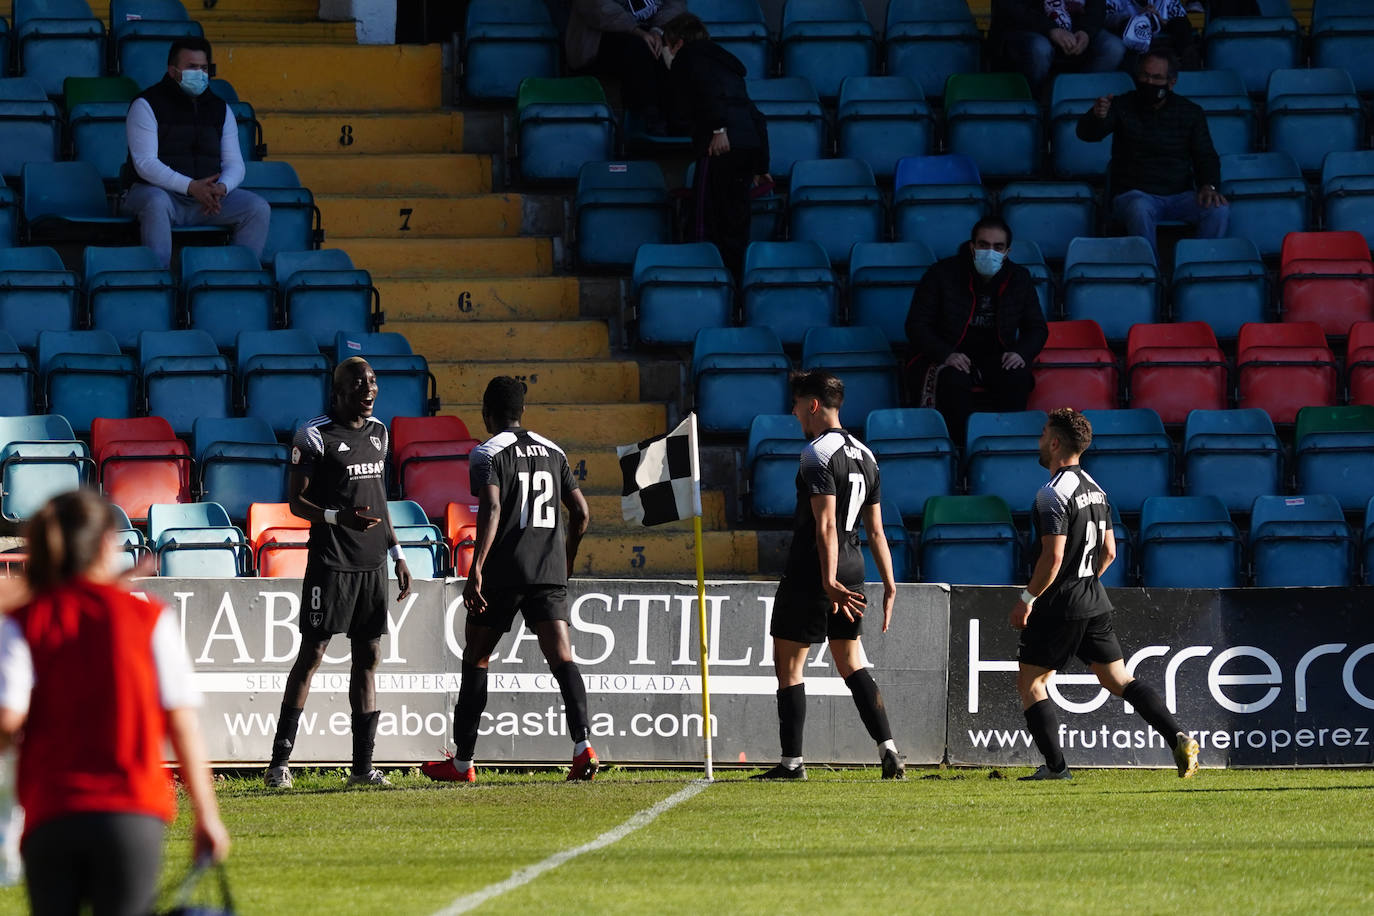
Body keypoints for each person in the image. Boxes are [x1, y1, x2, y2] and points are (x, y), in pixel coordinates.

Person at [0, 489, 230, 915]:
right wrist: (207, 815)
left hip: (52, 808)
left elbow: (7, 721)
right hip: (132, 809)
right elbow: (182, 724)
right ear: (107, 544)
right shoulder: (148, 617)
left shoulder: (24, 619)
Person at [420, 377, 596, 783]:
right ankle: (583, 744)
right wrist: (565, 559)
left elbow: (494, 506)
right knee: (563, 659)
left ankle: (462, 764)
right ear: (522, 411)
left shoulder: (486, 453)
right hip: (548, 571)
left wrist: (476, 567)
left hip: (505, 570)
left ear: (487, 413)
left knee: (477, 657)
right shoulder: (554, 450)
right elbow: (582, 514)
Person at [1011, 408, 1201, 780]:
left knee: (1031, 683)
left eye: (1043, 434)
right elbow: (1110, 552)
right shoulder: (1097, 490)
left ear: (1054, 442)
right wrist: (1084, 582)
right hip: (1093, 601)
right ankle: (1177, 735)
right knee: (1119, 680)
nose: (1039, 441)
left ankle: (1056, 769)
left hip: (1059, 605)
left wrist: (1027, 599)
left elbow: (1053, 557)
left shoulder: (1050, 495)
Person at [265, 357, 412, 789]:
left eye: (372, 382)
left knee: (368, 658)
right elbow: (296, 502)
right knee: (312, 655)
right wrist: (337, 517)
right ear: (339, 391)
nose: (368, 389)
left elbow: (380, 499)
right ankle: (279, 764)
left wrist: (398, 551)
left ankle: (362, 770)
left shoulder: (381, 433)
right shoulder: (313, 435)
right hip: (331, 562)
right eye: (358, 384)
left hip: (373, 564)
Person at [753, 371, 905, 781]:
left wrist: (827, 579)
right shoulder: (866, 454)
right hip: (855, 566)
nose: (794, 411)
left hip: (814, 569)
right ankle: (888, 748)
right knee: (851, 659)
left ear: (813, 405)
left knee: (789, 665)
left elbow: (824, 526)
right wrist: (889, 583)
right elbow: (876, 530)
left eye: (798, 404)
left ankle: (792, 764)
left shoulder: (815, 454)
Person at [121, 37, 270, 267]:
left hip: (206, 201)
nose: (199, 73)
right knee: (156, 201)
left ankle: (237, 279)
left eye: (203, 68)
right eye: (191, 67)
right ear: (172, 71)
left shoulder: (221, 109)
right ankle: (158, 280)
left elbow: (235, 164)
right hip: (159, 194)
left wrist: (221, 188)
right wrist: (191, 187)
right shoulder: (146, 104)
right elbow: (145, 164)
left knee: (257, 208)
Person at [904, 216, 1048, 446]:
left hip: (995, 356)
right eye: (983, 245)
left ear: (1007, 251)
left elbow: (1037, 328)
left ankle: (1007, 446)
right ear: (972, 246)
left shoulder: (1018, 278)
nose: (990, 251)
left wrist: (1021, 352)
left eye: (998, 247)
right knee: (952, 382)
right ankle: (963, 449)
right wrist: (946, 354)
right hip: (949, 354)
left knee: (1017, 377)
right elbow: (916, 325)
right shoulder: (941, 274)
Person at [1076, 49, 1228, 257]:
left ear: (1171, 82)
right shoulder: (1122, 105)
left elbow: (1206, 155)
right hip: (1134, 195)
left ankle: (1197, 271)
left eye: (1156, 78)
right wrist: (1096, 117)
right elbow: (1087, 134)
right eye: (1144, 75)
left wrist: (1209, 186)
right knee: (1140, 208)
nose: (1148, 82)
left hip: (1179, 195)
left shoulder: (1190, 112)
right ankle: (1149, 275)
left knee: (1218, 209)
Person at [661, 12, 771, 276]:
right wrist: (761, 165)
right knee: (735, 220)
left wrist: (718, 128)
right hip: (748, 146)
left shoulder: (689, 57)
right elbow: (755, 116)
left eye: (665, 45)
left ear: (676, 43)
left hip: (721, 145)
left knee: (705, 216)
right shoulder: (726, 66)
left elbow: (707, 91)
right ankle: (733, 281)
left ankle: (703, 275)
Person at [566, 0, 688, 134]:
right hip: (600, 39)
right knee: (638, 48)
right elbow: (595, 5)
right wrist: (635, 30)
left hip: (651, 34)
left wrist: (657, 31)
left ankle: (680, 119)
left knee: (676, 48)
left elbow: (675, 4)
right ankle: (649, 119)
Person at [991, 0, 1127, 98]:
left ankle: (1075, 99)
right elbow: (1011, 8)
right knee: (1040, 48)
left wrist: (1086, 31)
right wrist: (1050, 29)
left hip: (1075, 27)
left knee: (1113, 48)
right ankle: (1036, 105)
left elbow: (1097, 7)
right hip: (1026, 28)